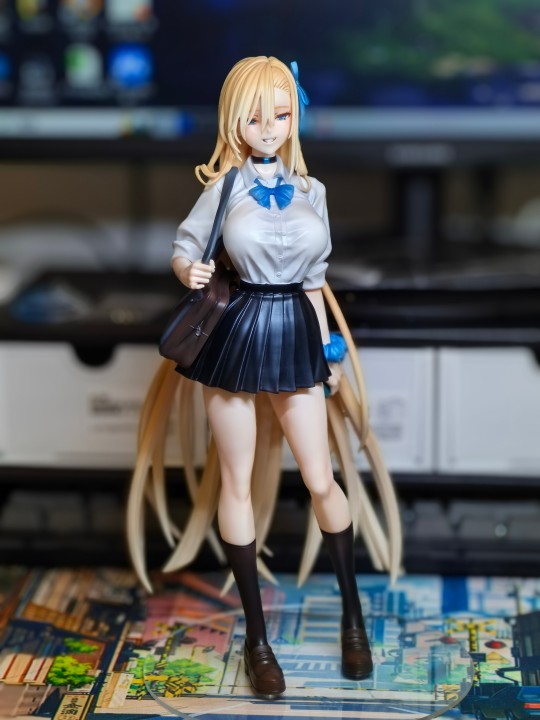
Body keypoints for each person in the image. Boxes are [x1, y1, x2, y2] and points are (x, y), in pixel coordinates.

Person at [127, 55, 401, 700]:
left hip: (295, 331)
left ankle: (353, 619)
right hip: (238, 330)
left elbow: (314, 282)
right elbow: (185, 247)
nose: (270, 127)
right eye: (256, 117)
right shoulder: (224, 188)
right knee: (237, 481)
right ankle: (257, 639)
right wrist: (188, 270)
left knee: (321, 477)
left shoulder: (312, 192)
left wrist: (327, 353)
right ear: (235, 121)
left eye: (280, 113)